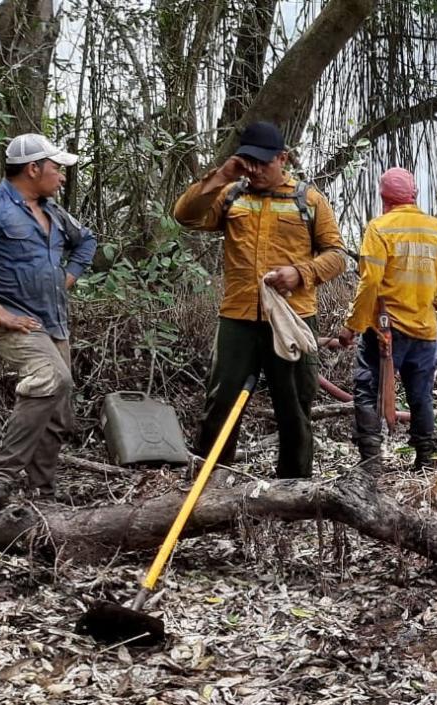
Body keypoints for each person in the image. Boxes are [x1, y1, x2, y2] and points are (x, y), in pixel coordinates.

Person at [172, 121, 346, 479]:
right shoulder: (231, 195)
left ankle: (294, 487)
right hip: (238, 318)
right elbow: (184, 216)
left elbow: (338, 255)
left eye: (263, 163)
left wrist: (301, 273)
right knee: (221, 401)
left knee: (294, 405)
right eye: (249, 162)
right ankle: (211, 479)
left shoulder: (309, 200)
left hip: (292, 318)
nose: (255, 170)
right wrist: (222, 175)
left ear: (283, 158)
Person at [0, 134, 96, 509]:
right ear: (33, 168)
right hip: (14, 322)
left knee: (58, 411)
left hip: (54, 322)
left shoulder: (54, 212)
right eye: (56, 168)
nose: (62, 176)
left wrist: (67, 277)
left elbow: (86, 241)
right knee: (50, 378)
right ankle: (2, 476)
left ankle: (43, 493)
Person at [338, 168, 437, 472]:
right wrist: (434, 299)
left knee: (367, 390)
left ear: (384, 198)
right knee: (421, 395)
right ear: (414, 194)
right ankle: (425, 459)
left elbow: (369, 283)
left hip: (386, 330)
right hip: (425, 329)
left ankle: (371, 463)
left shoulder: (379, 228)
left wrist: (352, 326)